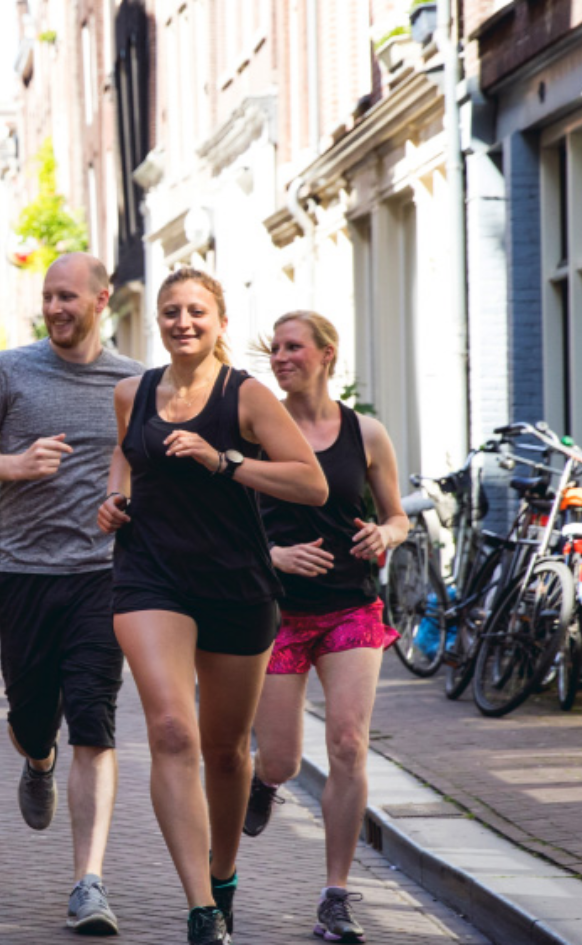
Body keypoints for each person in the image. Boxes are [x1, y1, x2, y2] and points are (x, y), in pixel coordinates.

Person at [98, 268, 327, 945]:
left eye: (196, 310)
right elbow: (125, 461)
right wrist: (113, 502)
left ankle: (222, 872)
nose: (182, 322)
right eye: (171, 311)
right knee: (172, 728)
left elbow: (310, 483)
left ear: (220, 320)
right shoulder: (129, 393)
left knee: (226, 751)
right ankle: (201, 908)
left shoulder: (247, 397)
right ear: (157, 321)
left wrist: (222, 459)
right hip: (150, 577)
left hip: (236, 583)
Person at [0, 252, 144, 935]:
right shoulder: (11, 367)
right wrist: (16, 464)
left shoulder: (133, 380)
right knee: (33, 716)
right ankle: (38, 759)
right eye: (48, 297)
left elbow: (148, 467)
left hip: (102, 572)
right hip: (25, 568)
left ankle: (88, 881)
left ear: (100, 301)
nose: (56, 308)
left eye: (69, 297)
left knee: (95, 718)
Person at [244, 312, 408, 944]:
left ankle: (335, 895)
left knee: (347, 744)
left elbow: (397, 516)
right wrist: (274, 556)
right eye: (275, 349)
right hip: (278, 610)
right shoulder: (258, 431)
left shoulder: (364, 432)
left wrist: (383, 534)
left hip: (350, 608)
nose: (281, 357)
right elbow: (224, 528)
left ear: (326, 355)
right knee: (283, 759)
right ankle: (264, 781)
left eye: (293, 347)